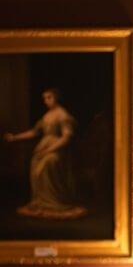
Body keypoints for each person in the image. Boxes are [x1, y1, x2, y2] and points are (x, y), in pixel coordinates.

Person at [3, 87, 87, 219]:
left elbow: (66, 137)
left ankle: (55, 201)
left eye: (49, 97)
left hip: (59, 151)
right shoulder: (47, 116)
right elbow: (34, 132)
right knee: (36, 161)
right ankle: (41, 201)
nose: (46, 101)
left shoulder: (63, 115)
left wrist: (48, 150)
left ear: (56, 98)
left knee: (49, 162)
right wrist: (15, 137)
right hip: (45, 147)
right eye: (44, 98)